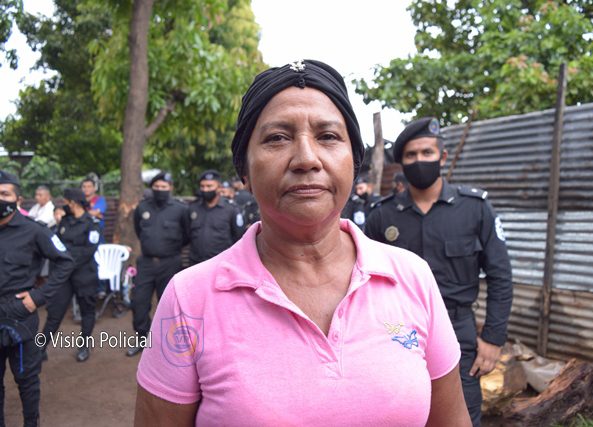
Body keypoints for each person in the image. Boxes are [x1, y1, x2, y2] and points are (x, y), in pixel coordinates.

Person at [134, 60, 471, 426]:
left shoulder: (412, 277)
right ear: (244, 169)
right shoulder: (189, 298)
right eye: (277, 138)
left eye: (328, 136)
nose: (307, 159)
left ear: (354, 161)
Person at [365, 116, 513, 426]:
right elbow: (364, 280)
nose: (420, 160)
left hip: (458, 327)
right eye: (411, 155)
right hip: (397, 329)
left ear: (442, 157)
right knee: (398, 413)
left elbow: (500, 275)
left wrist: (493, 338)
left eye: (427, 153)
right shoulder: (382, 215)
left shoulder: (475, 209)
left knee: (461, 413)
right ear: (401, 163)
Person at [0, 170, 74, 426]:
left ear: (18, 200)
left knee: (27, 380)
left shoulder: (34, 231)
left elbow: (65, 262)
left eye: (4, 194)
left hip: (20, 316)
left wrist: (38, 297)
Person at [127, 171, 189, 357]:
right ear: (152, 188)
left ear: (170, 188)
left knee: (168, 306)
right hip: (146, 263)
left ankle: (165, 344)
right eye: (157, 187)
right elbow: (139, 230)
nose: (160, 190)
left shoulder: (180, 209)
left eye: (164, 187)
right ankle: (143, 339)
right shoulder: (142, 208)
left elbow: (187, 235)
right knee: (139, 303)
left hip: (170, 263)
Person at [41, 188, 101, 362]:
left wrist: (66, 261)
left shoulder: (92, 223)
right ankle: (41, 348)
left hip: (84, 275)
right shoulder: (65, 222)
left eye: (65, 202)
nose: (63, 205)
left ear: (73, 203)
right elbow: (57, 245)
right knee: (55, 312)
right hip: (64, 277)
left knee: (87, 311)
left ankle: (84, 347)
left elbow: (89, 250)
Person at [187, 170, 244, 266]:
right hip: (196, 264)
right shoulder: (193, 208)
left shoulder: (231, 209)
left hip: (221, 264)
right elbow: (187, 233)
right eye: (202, 186)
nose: (205, 189)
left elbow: (238, 237)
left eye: (209, 186)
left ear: (219, 188)